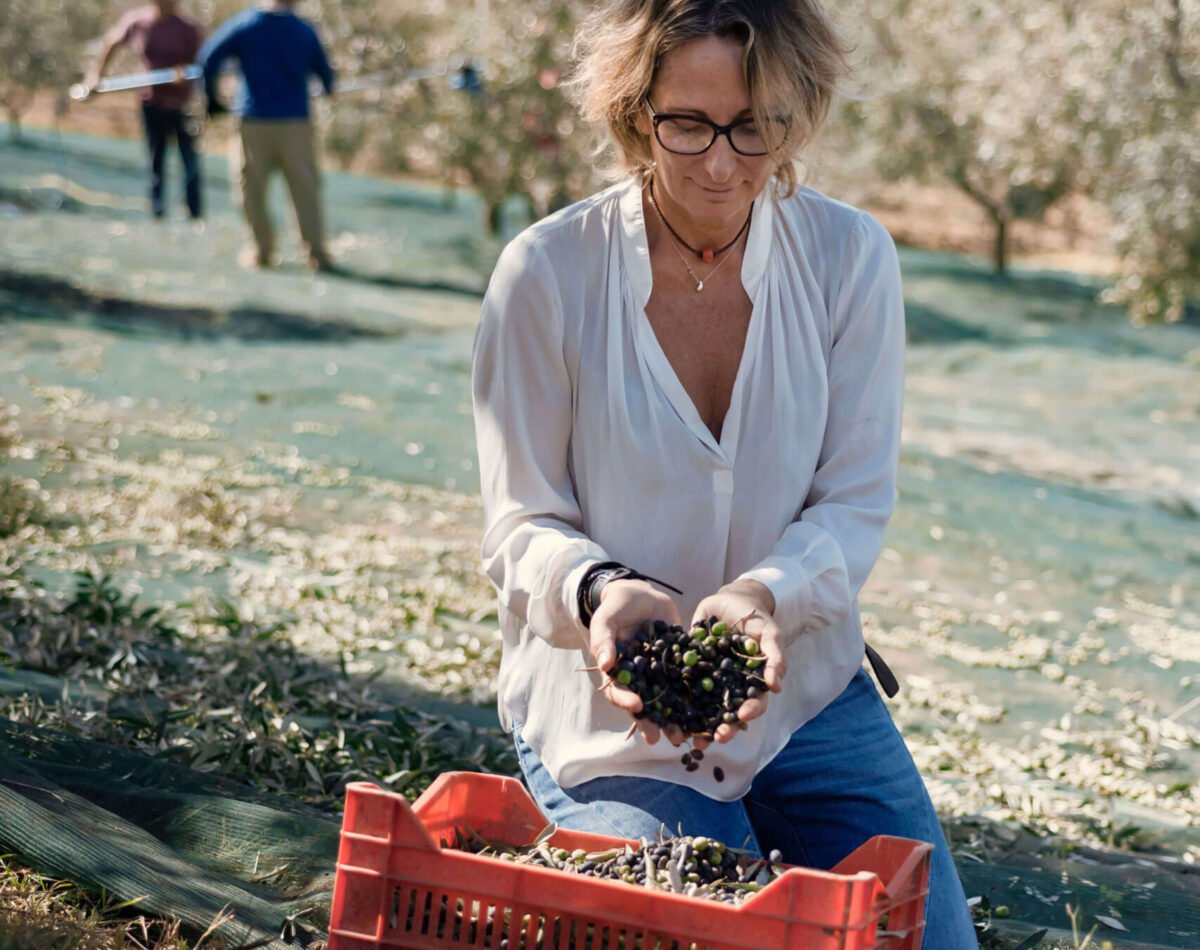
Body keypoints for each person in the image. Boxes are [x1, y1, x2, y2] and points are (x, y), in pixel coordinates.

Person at [470, 0, 977, 946]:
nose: (720, 162)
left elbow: (853, 500)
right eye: (689, 124)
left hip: (808, 699)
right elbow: (519, 524)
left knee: (927, 938)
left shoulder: (850, 258)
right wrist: (603, 592)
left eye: (755, 127)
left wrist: (762, 595)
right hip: (609, 712)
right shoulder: (545, 273)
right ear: (635, 113)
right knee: (701, 928)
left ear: (797, 116)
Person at [199, 0, 335, 271]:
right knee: (304, 188)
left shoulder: (246, 24)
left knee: (251, 190)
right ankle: (316, 254)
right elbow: (326, 77)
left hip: (253, 121)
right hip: (295, 122)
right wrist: (327, 85)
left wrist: (213, 99)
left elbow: (208, 58)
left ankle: (261, 251)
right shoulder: (304, 30)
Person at [87, 0, 204, 220]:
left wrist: (186, 74)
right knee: (155, 159)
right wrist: (96, 76)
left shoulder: (188, 29)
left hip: (182, 107)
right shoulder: (138, 22)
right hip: (152, 104)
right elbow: (112, 42)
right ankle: (157, 211)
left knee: (189, 161)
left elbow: (204, 60)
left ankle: (195, 214)